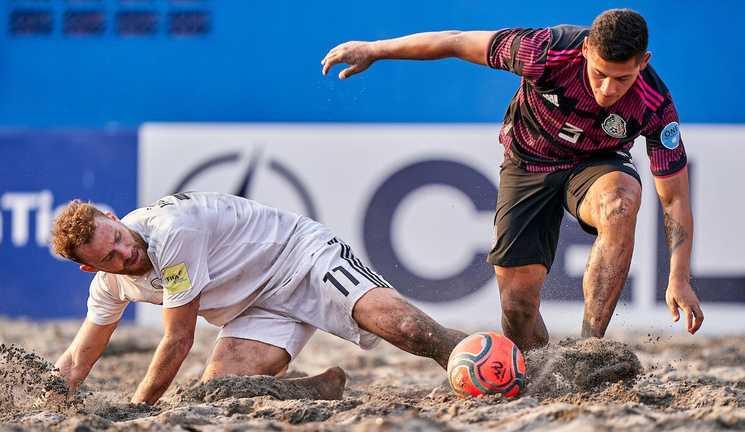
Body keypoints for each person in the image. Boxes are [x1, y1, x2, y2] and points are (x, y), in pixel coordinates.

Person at [321, 8, 703, 350]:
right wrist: (374, 49)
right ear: (586, 49)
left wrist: (679, 278)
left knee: (621, 202)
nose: (607, 89)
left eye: (622, 79)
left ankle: (589, 350)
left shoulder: (655, 104)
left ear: (643, 62)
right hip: (528, 162)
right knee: (517, 307)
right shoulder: (544, 52)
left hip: (596, 164)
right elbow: (455, 42)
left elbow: (674, 200)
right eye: (600, 74)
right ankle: (540, 369)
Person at [50, 192, 466, 404]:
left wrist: (138, 410)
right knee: (217, 393)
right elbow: (76, 359)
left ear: (112, 217)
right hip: (255, 308)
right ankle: (318, 388)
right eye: (110, 258)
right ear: (92, 268)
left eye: (119, 239)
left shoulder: (171, 231)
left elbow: (178, 340)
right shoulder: (108, 284)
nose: (126, 254)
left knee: (409, 331)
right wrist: (50, 395)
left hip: (299, 256)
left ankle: (482, 358)